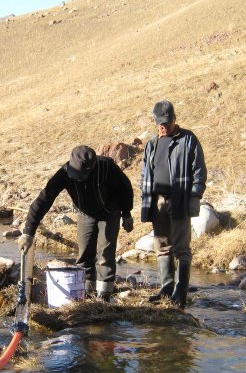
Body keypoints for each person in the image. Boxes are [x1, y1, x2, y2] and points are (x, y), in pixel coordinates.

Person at [18, 145, 134, 300]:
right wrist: (28, 232)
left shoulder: (107, 167)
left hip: (109, 212)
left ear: (91, 168)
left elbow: (125, 188)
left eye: (80, 175)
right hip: (85, 213)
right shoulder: (65, 173)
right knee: (85, 254)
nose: (76, 178)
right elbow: (44, 199)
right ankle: (87, 292)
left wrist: (126, 214)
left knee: (105, 254)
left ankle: (104, 295)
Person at [140, 100, 207, 308]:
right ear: (155, 122)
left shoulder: (188, 140)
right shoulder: (151, 144)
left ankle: (181, 292)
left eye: (167, 123)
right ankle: (166, 288)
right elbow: (145, 173)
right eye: (160, 123)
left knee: (181, 248)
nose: (164, 126)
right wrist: (149, 200)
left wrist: (190, 198)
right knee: (162, 247)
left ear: (174, 119)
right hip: (157, 203)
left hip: (179, 202)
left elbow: (199, 172)